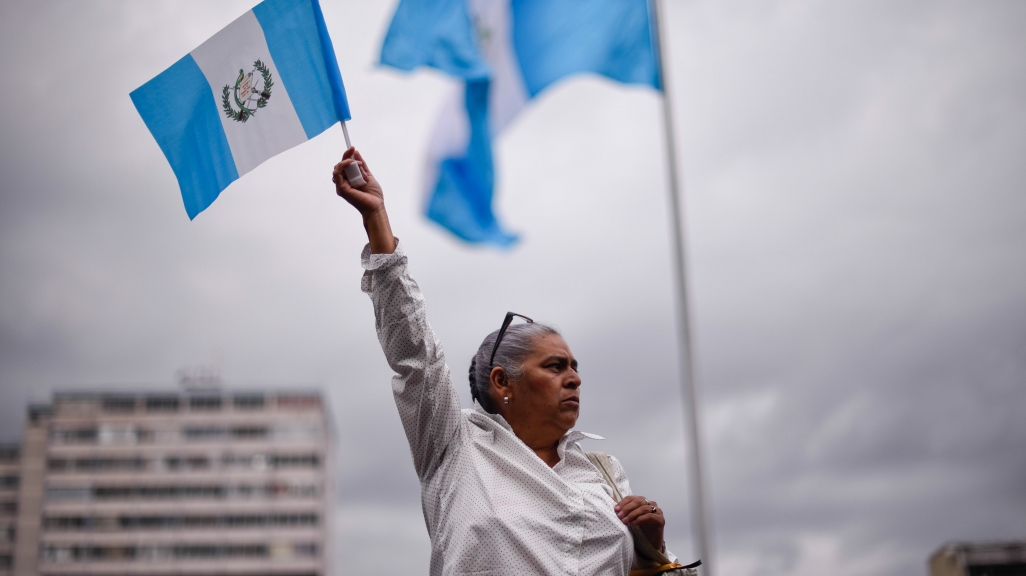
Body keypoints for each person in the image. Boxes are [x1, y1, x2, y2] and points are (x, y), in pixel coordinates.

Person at [333, 148, 679, 575]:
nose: (574, 379)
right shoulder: (454, 446)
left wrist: (653, 550)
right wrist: (377, 221)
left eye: (575, 367)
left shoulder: (604, 473)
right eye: (555, 367)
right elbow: (416, 355)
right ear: (503, 382)